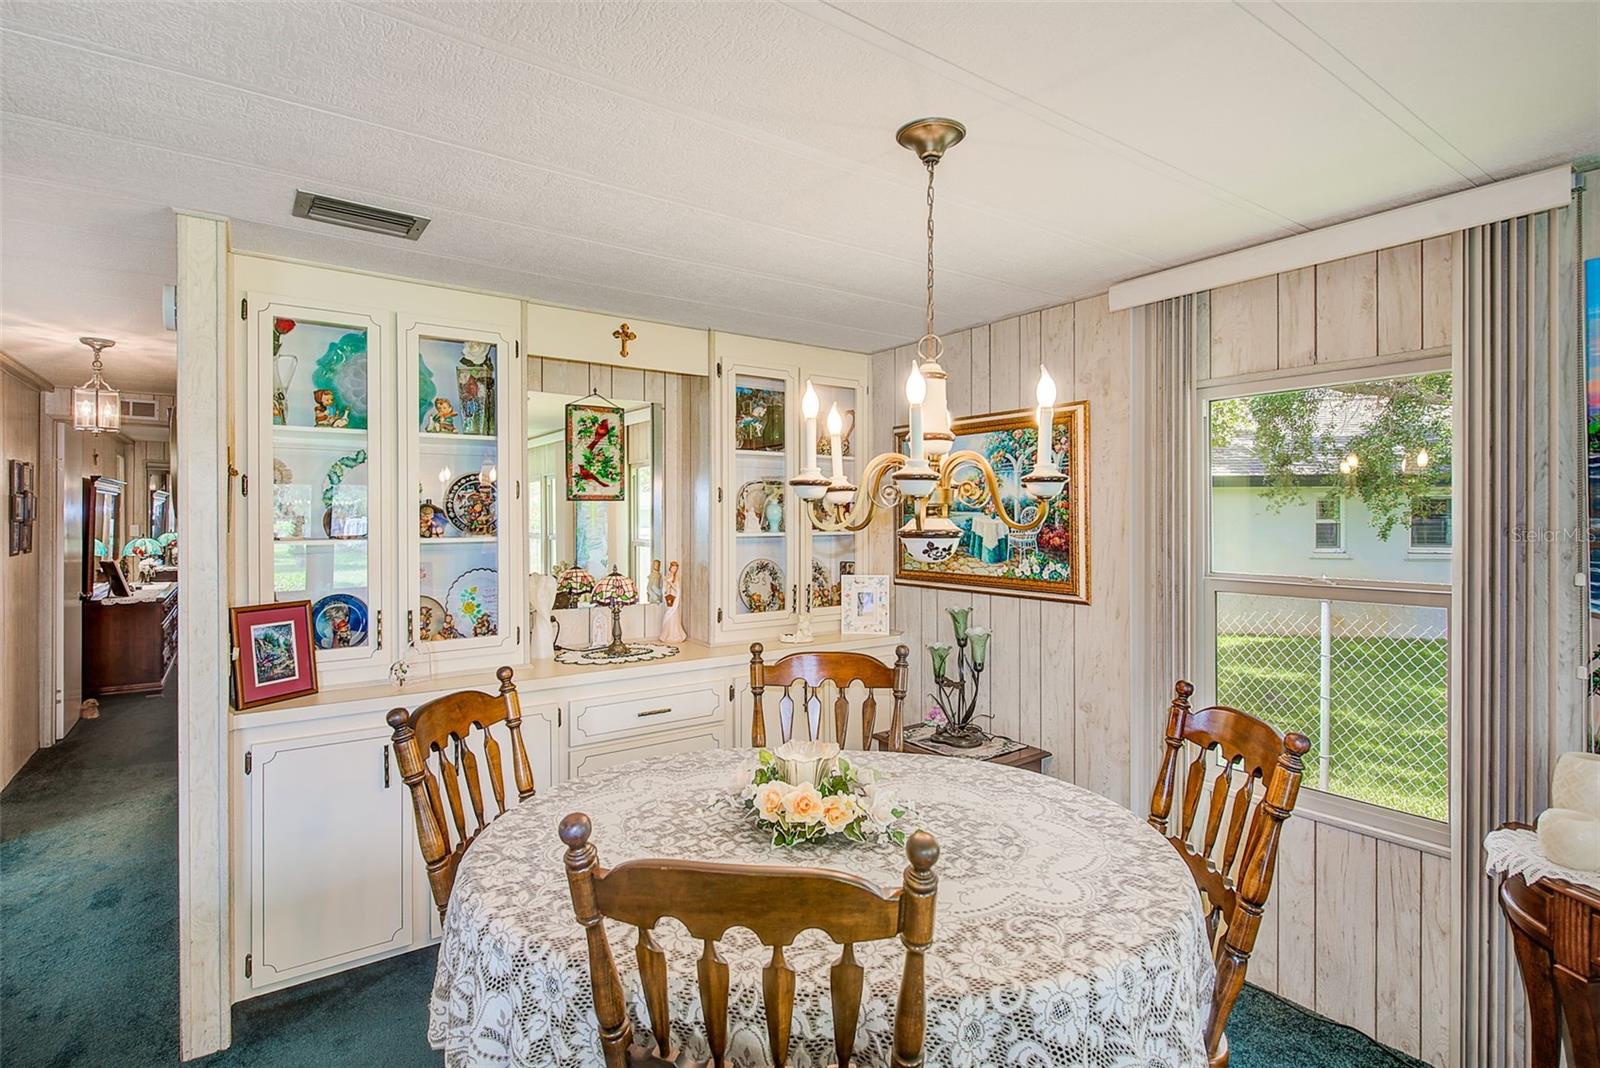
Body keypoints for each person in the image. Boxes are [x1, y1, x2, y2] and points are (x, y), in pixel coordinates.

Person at [659, 560, 687, 643]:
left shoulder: (676, 578)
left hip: (674, 598)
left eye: (675, 568)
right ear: (670, 568)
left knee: (673, 615)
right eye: (673, 568)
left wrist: (671, 583)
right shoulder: (667, 576)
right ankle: (666, 635)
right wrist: (667, 587)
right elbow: (664, 589)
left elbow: (677, 589)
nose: (674, 570)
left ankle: (675, 635)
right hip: (668, 598)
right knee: (668, 614)